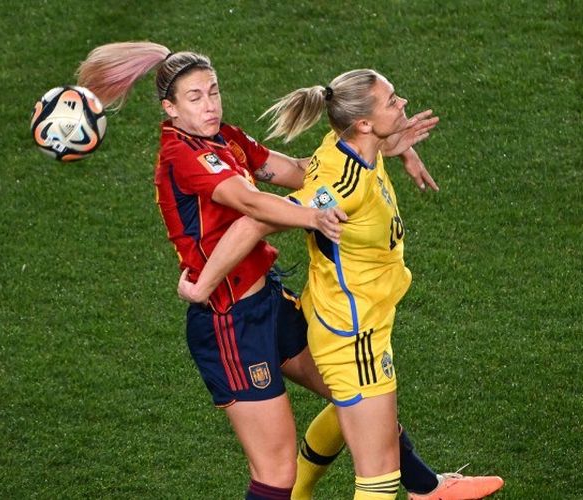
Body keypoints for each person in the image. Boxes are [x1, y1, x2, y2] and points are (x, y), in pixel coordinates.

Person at [75, 42, 445, 500]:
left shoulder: (225, 138)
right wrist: (312, 216)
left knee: (353, 391)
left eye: (213, 91)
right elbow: (252, 207)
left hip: (267, 301)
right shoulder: (183, 155)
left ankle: (425, 487)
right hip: (229, 321)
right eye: (195, 98)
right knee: (275, 472)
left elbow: (294, 170)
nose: (210, 105)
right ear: (169, 109)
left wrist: (381, 149)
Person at [178, 69, 504, 499]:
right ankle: (424, 491)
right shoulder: (341, 186)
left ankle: (329, 492)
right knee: (380, 473)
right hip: (354, 332)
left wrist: (396, 147)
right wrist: (203, 287)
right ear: (365, 123)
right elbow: (258, 219)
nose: (402, 102)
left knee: (354, 414)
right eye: (392, 101)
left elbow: (348, 158)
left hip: (349, 315)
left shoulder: (346, 147)